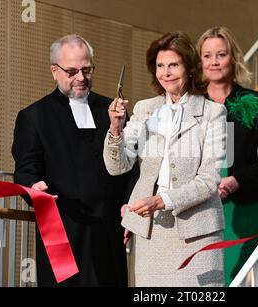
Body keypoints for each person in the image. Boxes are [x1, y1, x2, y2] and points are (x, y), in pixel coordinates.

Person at [104, 31, 227, 287]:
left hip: (197, 233)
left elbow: (209, 180)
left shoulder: (214, 113)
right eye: (160, 66)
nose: (166, 72)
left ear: (190, 68)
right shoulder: (144, 109)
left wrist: (162, 200)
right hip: (152, 232)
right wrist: (116, 129)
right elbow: (117, 166)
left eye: (173, 65)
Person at [12, 34, 136, 286]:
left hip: (107, 227)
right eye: (72, 71)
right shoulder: (34, 116)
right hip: (61, 226)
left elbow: (132, 165)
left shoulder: (111, 110)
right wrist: (33, 187)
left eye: (87, 69)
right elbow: (26, 169)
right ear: (54, 71)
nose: (81, 77)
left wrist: (129, 205)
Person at [197, 26, 258, 286]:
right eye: (207, 55)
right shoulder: (190, 103)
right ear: (199, 61)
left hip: (245, 203)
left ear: (233, 58)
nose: (214, 62)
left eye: (220, 54)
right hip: (200, 203)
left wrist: (237, 180)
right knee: (205, 278)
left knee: (243, 277)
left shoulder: (255, 101)